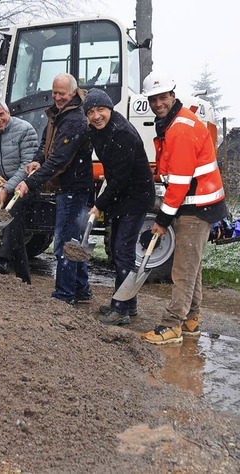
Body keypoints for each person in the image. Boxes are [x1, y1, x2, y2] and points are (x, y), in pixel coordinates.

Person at [139, 71, 227, 344]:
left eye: (162, 97)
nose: (158, 104)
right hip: (200, 202)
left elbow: (179, 182)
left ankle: (173, 324)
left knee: (182, 270)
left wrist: (162, 219)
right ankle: (191, 319)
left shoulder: (180, 128)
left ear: (173, 95)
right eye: (153, 99)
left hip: (196, 206)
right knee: (192, 266)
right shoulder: (175, 122)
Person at [15, 72, 94, 304]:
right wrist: (38, 159)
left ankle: (64, 294)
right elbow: (45, 144)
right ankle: (80, 288)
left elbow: (60, 159)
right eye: (54, 92)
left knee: (65, 242)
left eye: (61, 93)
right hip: (67, 187)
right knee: (74, 240)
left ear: (72, 93)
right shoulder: (57, 114)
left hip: (74, 186)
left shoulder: (75, 119)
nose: (56, 97)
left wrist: (29, 182)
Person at [83, 88, 155, 325]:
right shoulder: (97, 131)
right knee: (117, 248)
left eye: (100, 110)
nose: (96, 116)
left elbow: (121, 180)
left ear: (110, 109)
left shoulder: (122, 133)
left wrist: (98, 205)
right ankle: (127, 303)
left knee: (123, 251)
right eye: (91, 112)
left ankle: (121, 309)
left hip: (135, 196)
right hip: (122, 195)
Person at [0, 99, 39, 283]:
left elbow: (27, 165)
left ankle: (4, 260)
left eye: (1, 115)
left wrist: (6, 188)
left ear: (8, 113)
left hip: (28, 185)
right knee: (17, 231)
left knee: (10, 215)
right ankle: (24, 279)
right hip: (5, 187)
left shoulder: (25, 129)